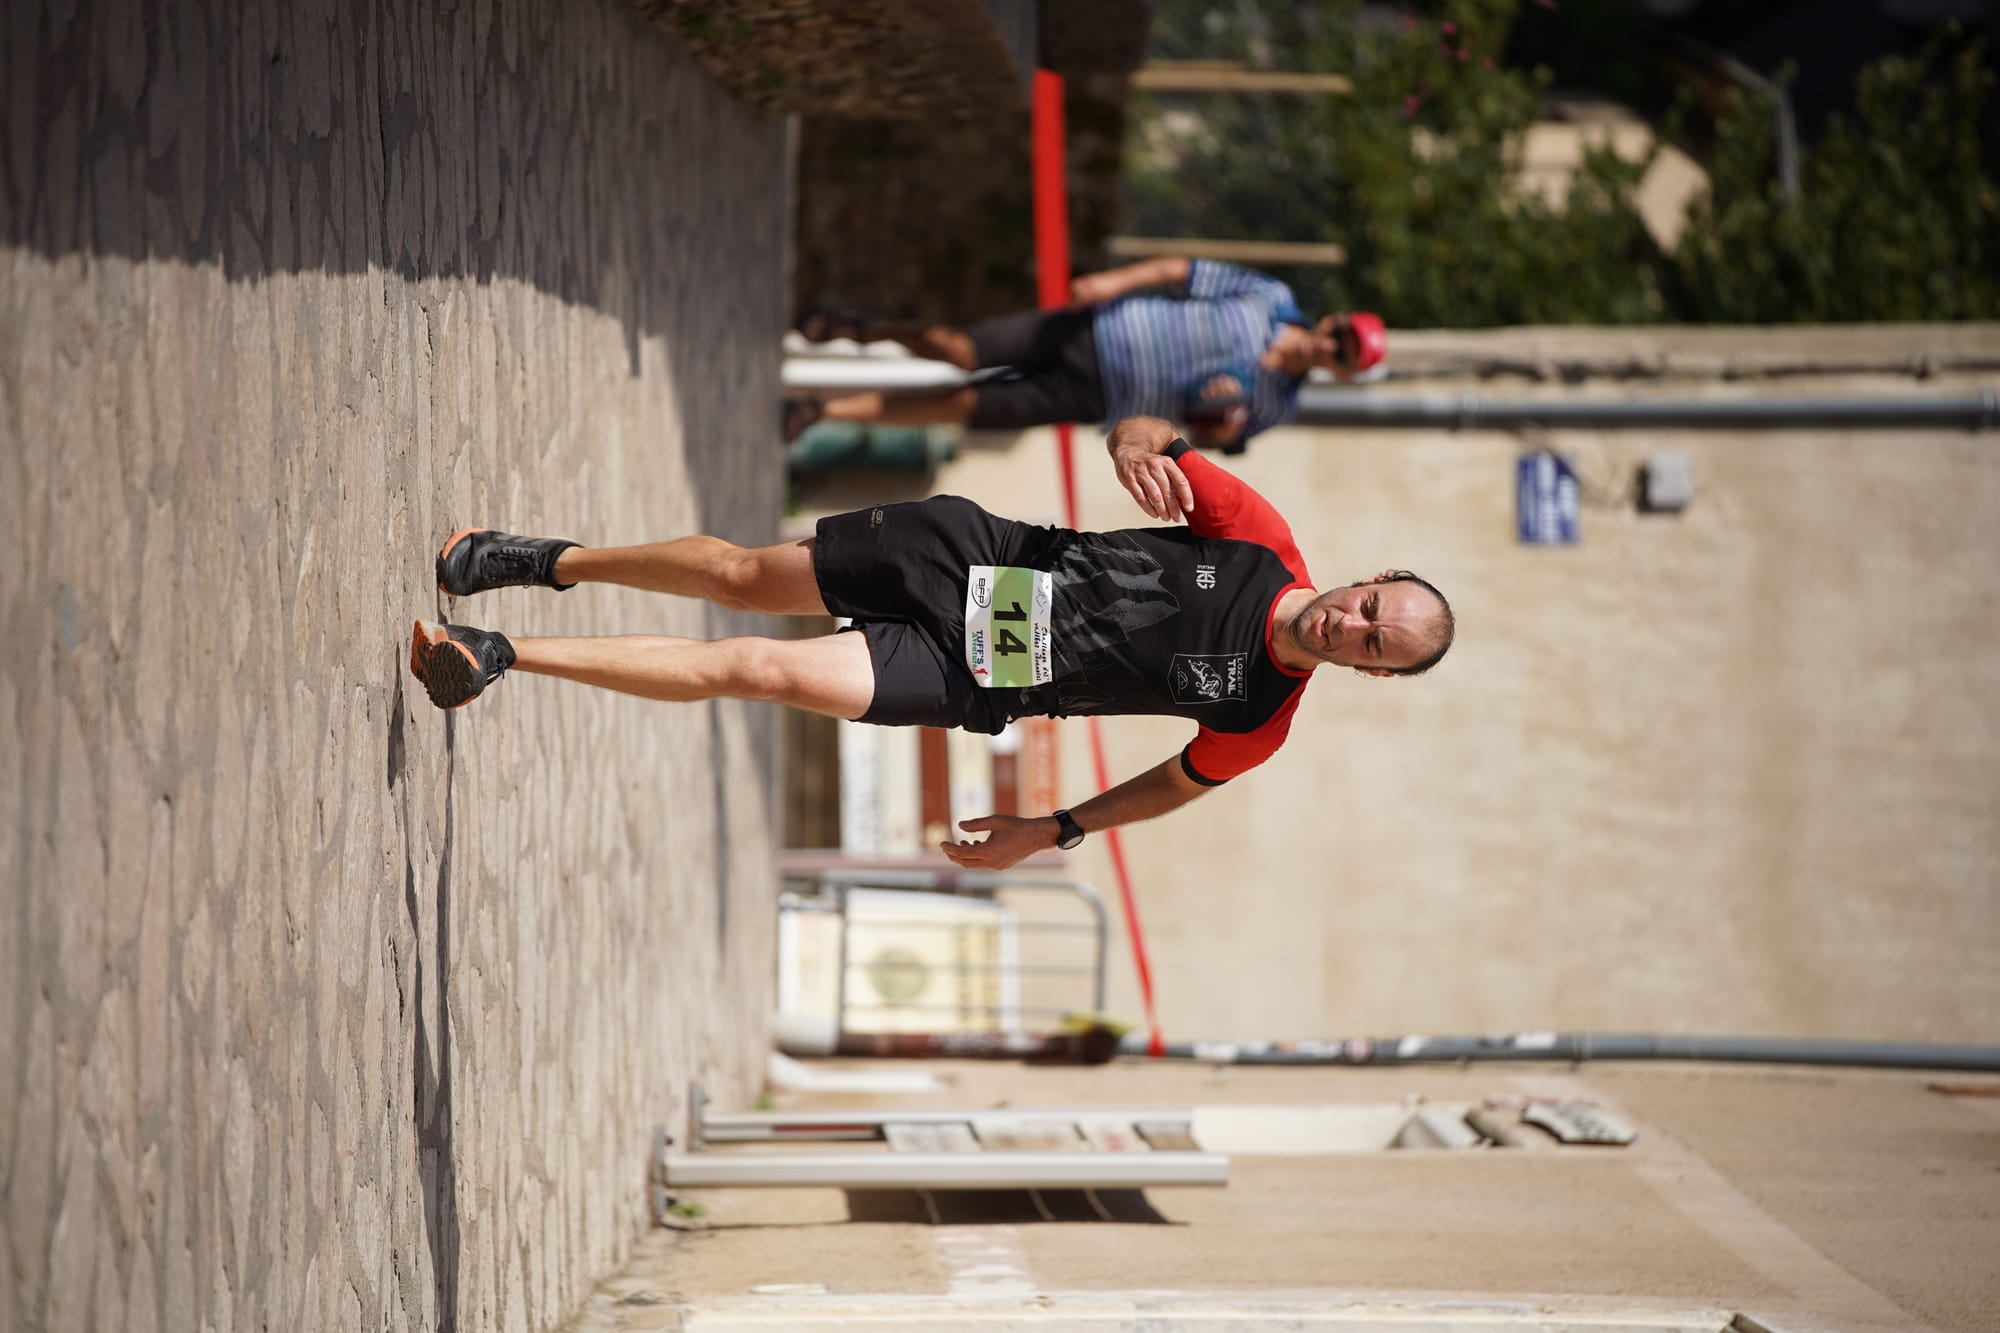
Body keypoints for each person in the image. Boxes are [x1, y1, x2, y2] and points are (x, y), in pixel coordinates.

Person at [409, 415, 1452, 869]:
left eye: (1374, 648)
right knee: (735, 579)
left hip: (969, 674)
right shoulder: (1260, 541)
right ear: (1371, 577)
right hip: (963, 555)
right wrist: (1136, 444)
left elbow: (1173, 784)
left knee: (756, 669)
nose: (1353, 628)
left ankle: (499, 654)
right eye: (1372, 609)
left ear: (1371, 675)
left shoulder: (1258, 717)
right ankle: (549, 560)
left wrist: (1049, 830)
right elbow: (1145, 433)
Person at [787, 256, 1387, 455]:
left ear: (1339, 372)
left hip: (1098, 397)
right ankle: (866, 329)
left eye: (1345, 356)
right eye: (1341, 335)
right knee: (959, 349)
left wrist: (1216, 426)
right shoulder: (1270, 297)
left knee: (960, 404)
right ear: (1332, 321)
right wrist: (1110, 283)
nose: (1333, 347)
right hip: (1095, 329)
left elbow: (1206, 441)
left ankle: (822, 410)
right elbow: (1181, 270)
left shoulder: (1277, 406)